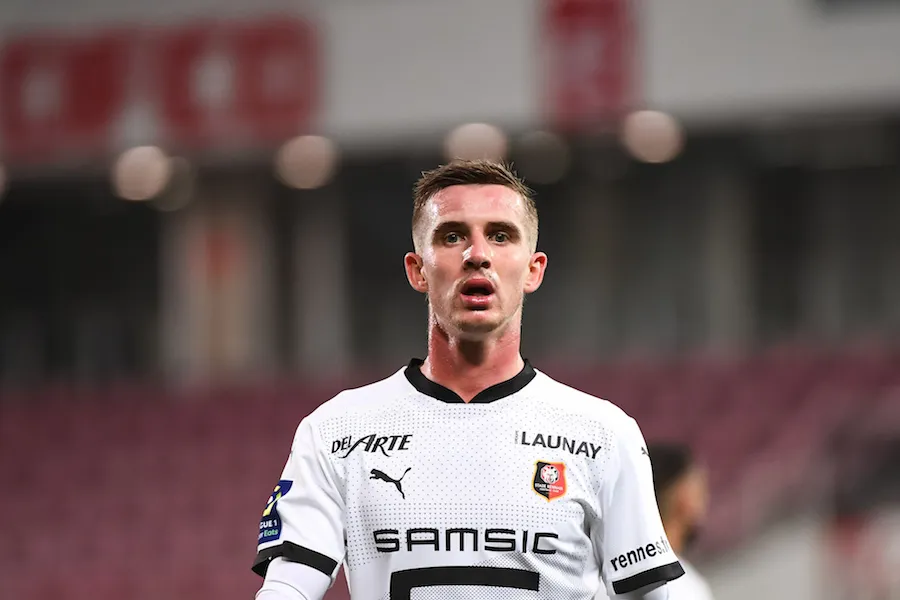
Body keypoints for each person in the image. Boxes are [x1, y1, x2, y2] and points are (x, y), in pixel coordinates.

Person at [252, 159, 684, 600]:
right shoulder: (336, 431)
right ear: (418, 270)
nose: (477, 254)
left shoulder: (603, 435)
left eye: (500, 235)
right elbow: (289, 587)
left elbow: (648, 596)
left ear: (533, 270)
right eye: (452, 236)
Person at [646, 443, 715, 600]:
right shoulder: (686, 588)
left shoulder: (608, 573)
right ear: (682, 494)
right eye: (697, 485)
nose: (705, 496)